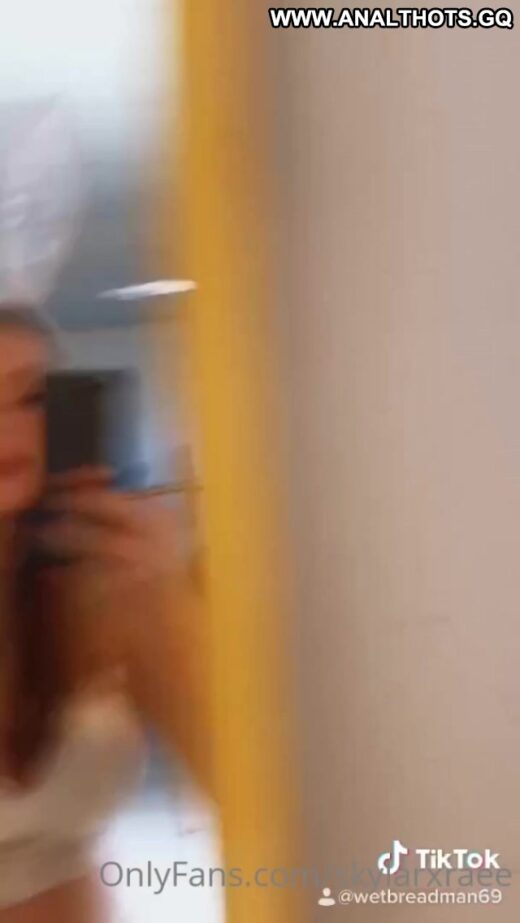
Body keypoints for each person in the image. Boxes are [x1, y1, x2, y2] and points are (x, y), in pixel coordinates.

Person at [0, 305, 209, 922]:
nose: (7, 428)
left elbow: (250, 782)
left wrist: (166, 607)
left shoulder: (107, 585)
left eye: (33, 398)